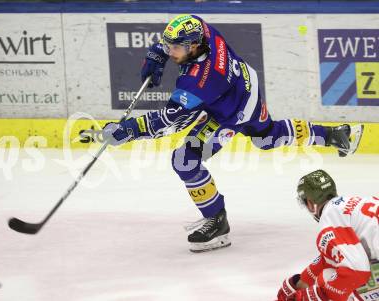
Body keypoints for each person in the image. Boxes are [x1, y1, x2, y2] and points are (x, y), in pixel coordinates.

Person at [102, 14, 363, 253]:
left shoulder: (200, 81)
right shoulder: (201, 29)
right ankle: (335, 135)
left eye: (176, 49)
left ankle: (217, 223)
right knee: (268, 136)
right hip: (242, 82)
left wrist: (127, 131)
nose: (172, 52)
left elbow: (168, 121)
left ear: (193, 46)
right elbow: (181, 31)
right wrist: (158, 53)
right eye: (170, 46)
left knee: (186, 159)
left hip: (233, 111)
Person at [276, 169, 379, 301]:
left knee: (327, 278)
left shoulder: (330, 218)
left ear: (309, 203)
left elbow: (357, 270)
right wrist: (301, 283)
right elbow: (335, 257)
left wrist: (318, 295)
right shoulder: (354, 204)